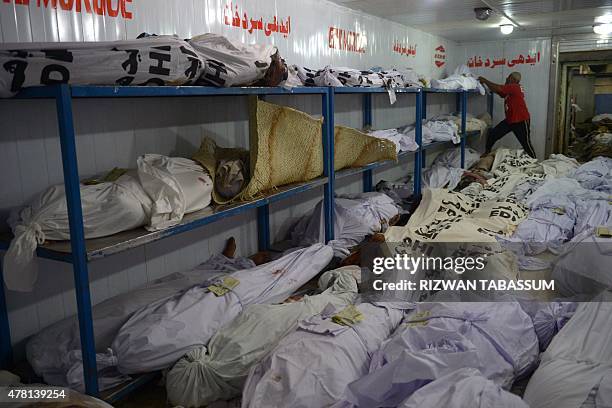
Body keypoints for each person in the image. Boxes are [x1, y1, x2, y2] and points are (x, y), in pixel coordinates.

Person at [478, 72, 536, 158]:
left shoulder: (515, 86)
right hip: (510, 120)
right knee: (493, 134)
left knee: (526, 143)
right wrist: (488, 87)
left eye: (508, 77)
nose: (506, 79)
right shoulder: (512, 88)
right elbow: (500, 92)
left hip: (521, 120)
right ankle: (487, 152)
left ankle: (534, 161)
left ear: (512, 79)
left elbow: (498, 88)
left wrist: (485, 81)